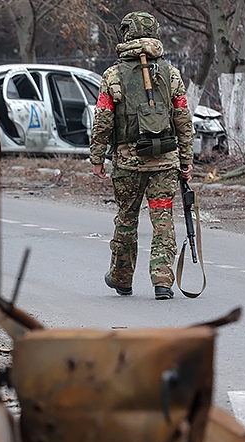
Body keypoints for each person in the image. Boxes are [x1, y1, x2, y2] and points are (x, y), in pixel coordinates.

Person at [90, 12, 194, 300]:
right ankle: (162, 281)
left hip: (128, 163)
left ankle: (122, 278)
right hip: (165, 161)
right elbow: (183, 118)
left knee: (126, 218)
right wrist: (186, 160)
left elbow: (103, 119)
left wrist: (97, 157)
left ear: (127, 34)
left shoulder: (113, 75)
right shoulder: (171, 74)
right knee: (162, 218)